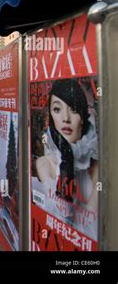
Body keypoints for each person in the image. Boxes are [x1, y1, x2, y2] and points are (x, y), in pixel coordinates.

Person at [34, 79, 98, 235]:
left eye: (74, 109)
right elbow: (60, 217)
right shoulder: (45, 164)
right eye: (57, 109)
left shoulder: (96, 167)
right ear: (50, 115)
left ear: (83, 116)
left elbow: (91, 226)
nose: (65, 118)